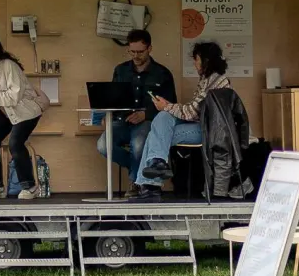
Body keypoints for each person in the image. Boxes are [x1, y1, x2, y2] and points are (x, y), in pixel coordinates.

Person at [130, 41, 232, 203]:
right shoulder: (209, 79)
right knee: (162, 119)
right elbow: (194, 110)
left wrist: (167, 106)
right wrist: (166, 109)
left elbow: (192, 112)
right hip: (201, 125)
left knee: (158, 133)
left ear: (205, 60)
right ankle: (157, 166)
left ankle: (150, 185)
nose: (195, 63)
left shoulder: (215, 81)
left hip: (208, 131)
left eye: (196, 59)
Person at [0, 35, 44, 200]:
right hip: (4, 112)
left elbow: (13, 97)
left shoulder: (8, 66)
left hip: (25, 112)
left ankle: (29, 186)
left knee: (15, 143)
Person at [95, 29, 176, 179]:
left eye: (140, 52)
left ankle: (135, 181)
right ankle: (136, 171)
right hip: (122, 120)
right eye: (132, 52)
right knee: (103, 146)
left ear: (149, 49)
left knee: (139, 146)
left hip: (147, 122)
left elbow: (171, 106)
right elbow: (113, 98)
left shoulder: (162, 73)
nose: (135, 56)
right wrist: (107, 115)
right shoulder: (121, 70)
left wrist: (146, 114)